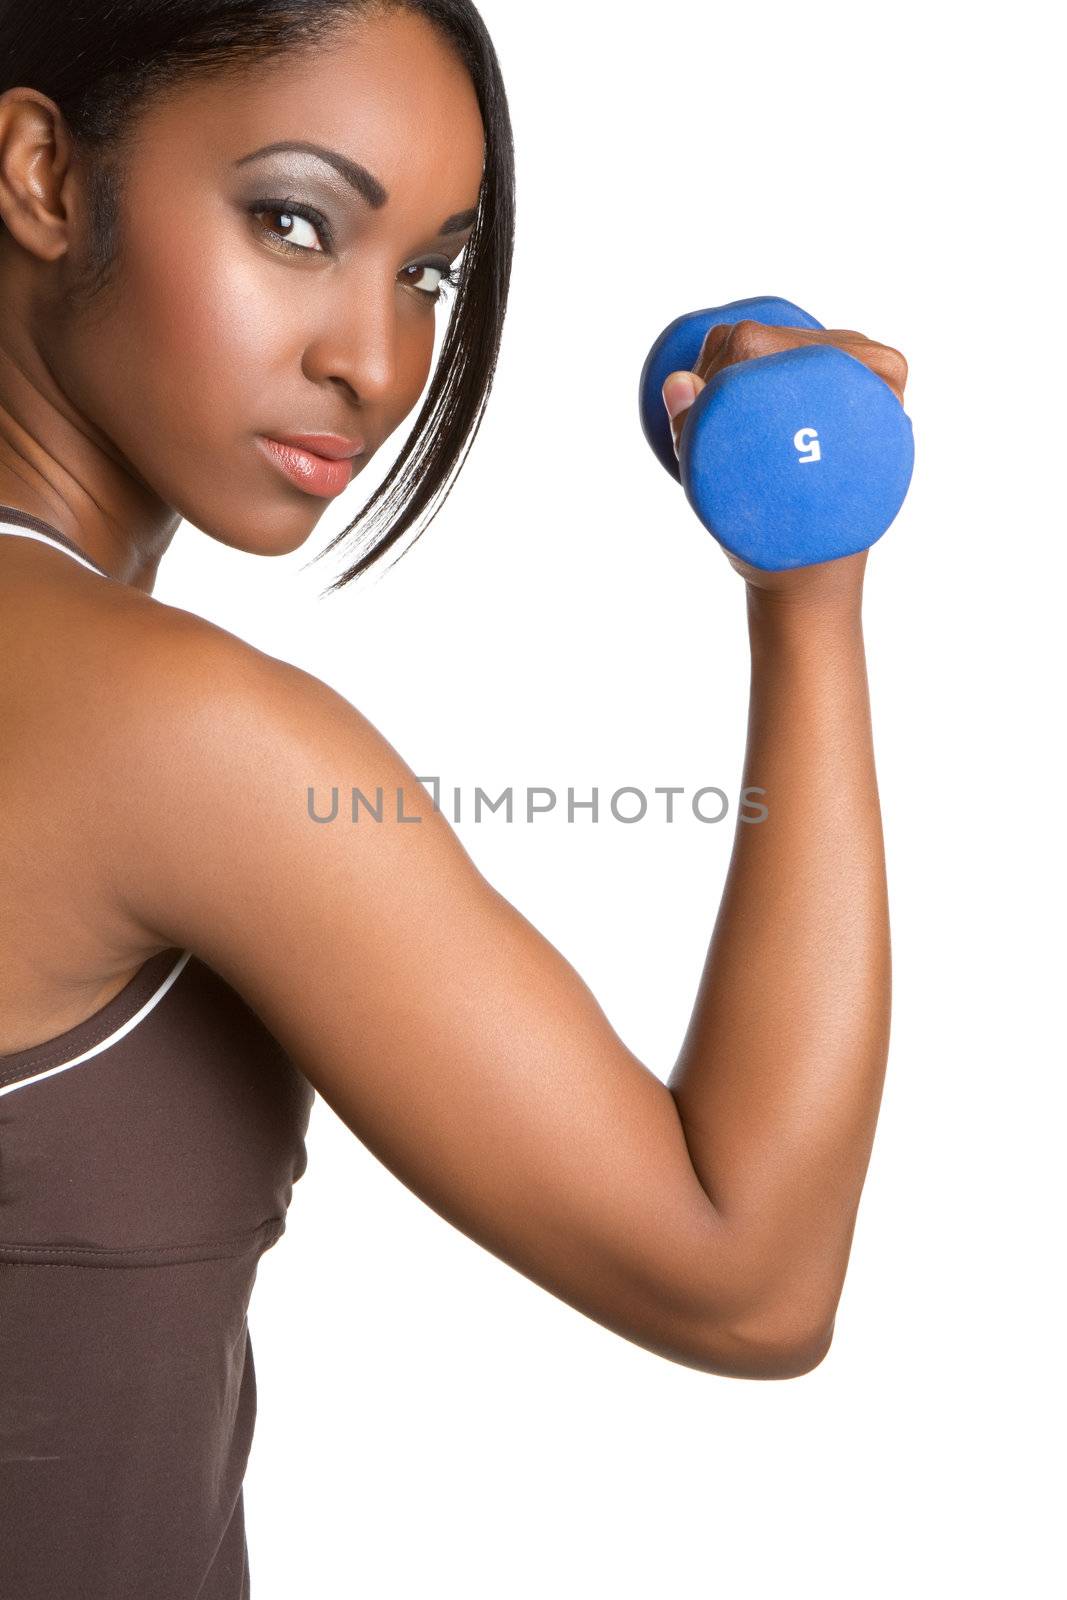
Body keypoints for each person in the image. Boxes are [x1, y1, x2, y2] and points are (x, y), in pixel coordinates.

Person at [0, 1, 908, 1593]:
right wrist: (809, 586)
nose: (376, 359)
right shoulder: (160, 730)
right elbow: (748, 1277)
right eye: (294, 222)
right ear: (43, 174)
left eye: (427, 270)